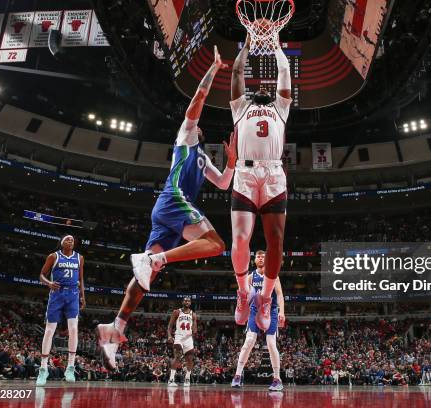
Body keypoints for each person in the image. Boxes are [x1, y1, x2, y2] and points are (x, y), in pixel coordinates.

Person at [96, 46, 237, 370]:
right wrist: (214, 70)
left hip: (169, 214)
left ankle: (115, 329)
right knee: (216, 244)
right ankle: (156, 257)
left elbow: (224, 184)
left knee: (147, 276)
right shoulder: (186, 137)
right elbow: (196, 102)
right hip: (174, 201)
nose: (199, 124)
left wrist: (231, 164)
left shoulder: (201, 159)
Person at [230, 33, 292, 332]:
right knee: (241, 239)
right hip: (244, 173)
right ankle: (244, 293)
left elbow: (283, 71)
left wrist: (275, 43)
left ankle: (265, 298)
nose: (264, 88)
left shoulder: (282, 107)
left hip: (273, 174)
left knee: (276, 241)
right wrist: (247, 41)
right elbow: (237, 72)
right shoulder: (240, 106)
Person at [231, 250, 285, 391]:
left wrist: (282, 312)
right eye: (258, 257)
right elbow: (245, 294)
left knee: (271, 344)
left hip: (271, 310)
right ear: (254, 260)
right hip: (255, 310)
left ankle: (277, 379)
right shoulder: (250, 277)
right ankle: (237, 375)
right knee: (249, 341)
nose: (261, 258)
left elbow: (279, 295)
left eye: (263, 257)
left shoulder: (274, 277)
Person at [36, 235, 85, 386]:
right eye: (67, 239)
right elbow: (41, 275)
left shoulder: (79, 258)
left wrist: (83, 296)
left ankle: (70, 366)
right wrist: (49, 283)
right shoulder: (53, 256)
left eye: (72, 239)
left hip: (73, 294)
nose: (70, 240)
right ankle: (43, 369)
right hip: (57, 294)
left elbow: (81, 279)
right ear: (61, 243)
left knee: (74, 329)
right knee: (50, 330)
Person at [167, 297, 197, 387]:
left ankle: (187, 379)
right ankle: (171, 380)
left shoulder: (193, 314)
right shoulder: (176, 312)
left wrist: (194, 330)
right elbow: (169, 326)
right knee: (178, 356)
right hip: (179, 337)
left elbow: (195, 329)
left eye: (188, 301)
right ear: (182, 302)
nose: (186, 302)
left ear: (190, 303)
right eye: (185, 300)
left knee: (190, 360)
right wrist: (169, 336)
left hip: (188, 338)